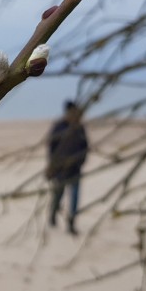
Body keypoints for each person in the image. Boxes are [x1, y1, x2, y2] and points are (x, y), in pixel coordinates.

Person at [46, 101, 89, 235]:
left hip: (75, 169)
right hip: (60, 169)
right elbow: (51, 147)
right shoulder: (59, 127)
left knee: (75, 197)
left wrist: (79, 161)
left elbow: (85, 146)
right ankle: (53, 216)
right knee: (58, 194)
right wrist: (53, 165)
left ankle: (71, 223)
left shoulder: (79, 128)